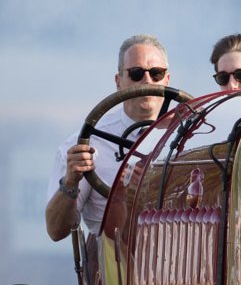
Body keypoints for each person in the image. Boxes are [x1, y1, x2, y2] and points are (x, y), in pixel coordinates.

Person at [45, 34, 171, 241]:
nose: (147, 81)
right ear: (118, 81)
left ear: (167, 80)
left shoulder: (190, 135)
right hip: (115, 262)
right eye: (136, 73)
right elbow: (56, 231)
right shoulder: (87, 145)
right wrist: (70, 181)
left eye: (156, 73)